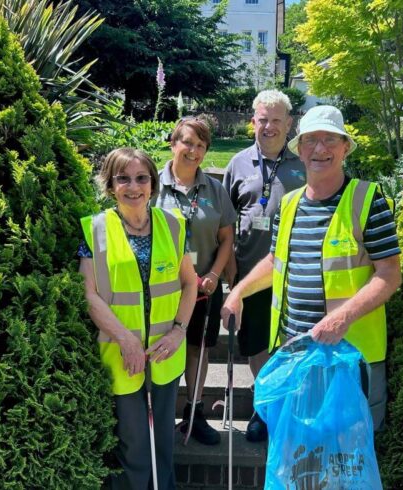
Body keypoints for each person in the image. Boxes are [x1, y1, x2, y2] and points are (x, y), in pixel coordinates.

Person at [221, 105, 402, 432]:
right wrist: (238, 293)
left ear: (345, 147)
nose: (320, 149)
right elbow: (275, 262)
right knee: (299, 455)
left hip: (349, 358)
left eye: (330, 140)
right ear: (300, 150)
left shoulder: (367, 199)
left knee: (344, 461)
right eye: (311, 140)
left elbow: (389, 274)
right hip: (296, 354)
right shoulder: (289, 204)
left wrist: (342, 318)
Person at [79, 148, 198, 489]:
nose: (134, 186)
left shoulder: (174, 225)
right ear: (110, 185)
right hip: (121, 355)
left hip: (165, 353)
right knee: (133, 447)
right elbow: (89, 294)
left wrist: (179, 331)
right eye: (124, 178)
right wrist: (126, 339)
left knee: (162, 443)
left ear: (153, 183)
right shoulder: (95, 229)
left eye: (142, 178)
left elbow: (189, 282)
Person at [222, 89, 306, 442]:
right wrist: (229, 272)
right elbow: (224, 222)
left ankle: (289, 406)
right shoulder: (237, 164)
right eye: (262, 119)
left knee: (290, 343)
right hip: (251, 273)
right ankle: (264, 406)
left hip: (297, 276)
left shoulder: (305, 164)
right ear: (252, 122)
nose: (268, 126)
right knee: (256, 343)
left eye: (276, 120)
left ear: (289, 124)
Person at [154, 116, 237, 445]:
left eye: (201, 145)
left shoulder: (215, 190)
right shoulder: (151, 184)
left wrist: (216, 274)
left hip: (203, 287)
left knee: (197, 350)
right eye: (187, 142)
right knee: (162, 346)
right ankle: (158, 413)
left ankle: (194, 412)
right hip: (160, 289)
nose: (193, 150)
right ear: (173, 143)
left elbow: (227, 238)